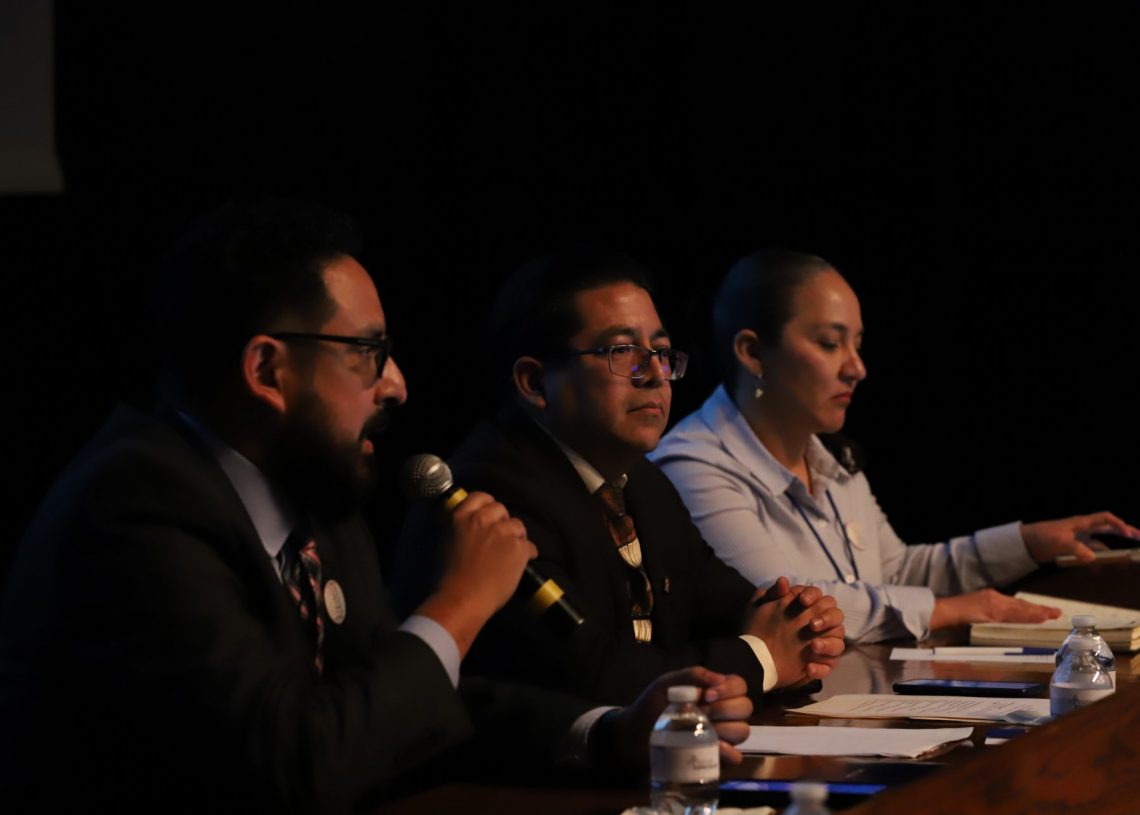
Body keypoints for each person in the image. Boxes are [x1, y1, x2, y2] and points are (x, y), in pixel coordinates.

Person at [0, 201, 754, 813]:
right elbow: (295, 764)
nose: (396, 384)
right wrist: (459, 604)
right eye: (367, 352)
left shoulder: (315, 500)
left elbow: (406, 701)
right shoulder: (135, 508)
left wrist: (607, 733)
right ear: (267, 369)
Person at [394, 247, 846, 706]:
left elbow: (723, 602)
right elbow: (593, 676)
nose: (655, 375)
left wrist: (799, 625)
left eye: (662, 352)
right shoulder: (489, 494)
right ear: (534, 382)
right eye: (623, 351)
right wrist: (764, 658)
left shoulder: (642, 482)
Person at [651, 249, 1138, 643]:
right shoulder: (691, 465)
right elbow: (786, 602)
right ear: (753, 352)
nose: (856, 368)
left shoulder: (830, 457)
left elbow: (896, 571)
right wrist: (945, 610)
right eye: (830, 343)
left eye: (857, 344)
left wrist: (1027, 542)